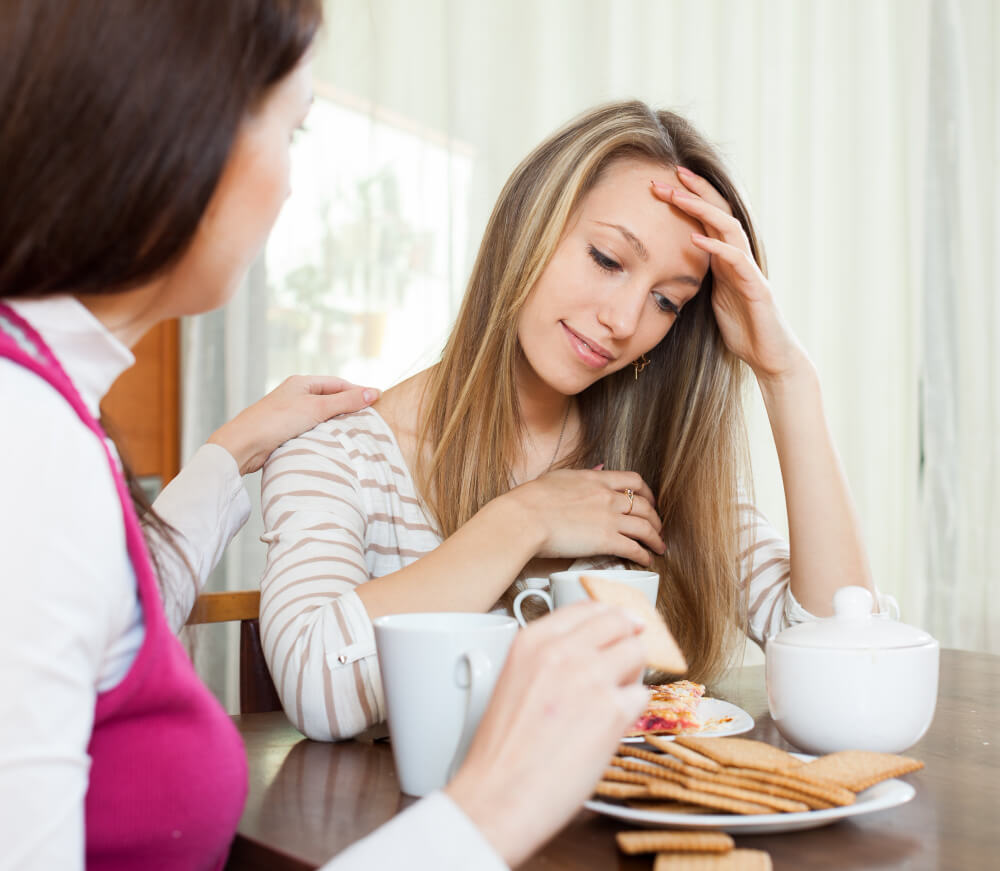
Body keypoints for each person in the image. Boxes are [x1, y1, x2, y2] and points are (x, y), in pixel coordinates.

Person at [0, 2, 649, 869]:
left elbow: (105, 605)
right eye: (293, 132)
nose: (289, 187)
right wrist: (494, 804)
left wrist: (229, 455)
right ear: (178, 131)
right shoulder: (31, 448)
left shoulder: (43, 419)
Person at [260, 99, 896, 742]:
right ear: (528, 226)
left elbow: (845, 664)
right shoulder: (339, 454)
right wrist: (524, 520)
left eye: (666, 301)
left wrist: (787, 376)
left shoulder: (653, 465)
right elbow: (317, 687)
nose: (623, 321)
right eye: (607, 259)